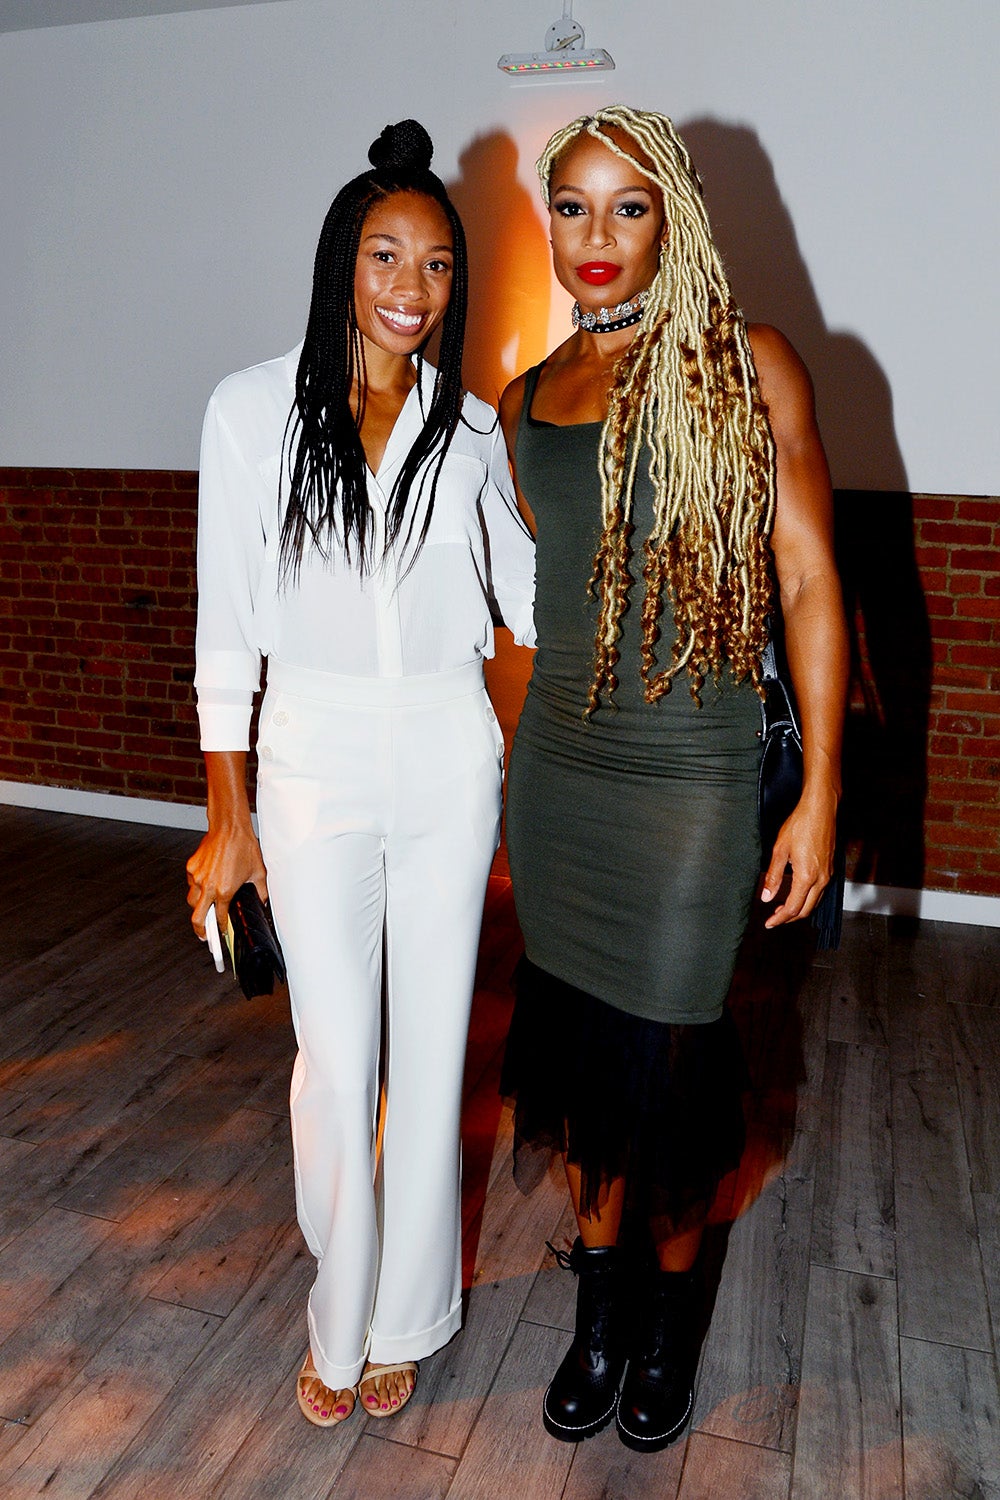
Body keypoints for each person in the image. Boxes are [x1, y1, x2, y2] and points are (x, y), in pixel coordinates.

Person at [498, 105, 847, 1452]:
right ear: (548, 224)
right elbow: (551, 600)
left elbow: (806, 579)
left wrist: (819, 793)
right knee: (583, 1061)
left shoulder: (746, 364)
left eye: (627, 205)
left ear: (673, 219)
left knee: (671, 1062)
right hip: (563, 776)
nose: (597, 234)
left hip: (695, 776)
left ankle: (669, 1325)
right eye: (572, 205)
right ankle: (600, 1315)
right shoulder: (529, 398)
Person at [186, 120, 534, 1428]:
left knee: (433, 1055)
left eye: (437, 265)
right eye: (387, 255)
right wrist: (229, 820)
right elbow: (227, 631)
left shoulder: (470, 425)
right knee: (335, 1061)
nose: (411, 287)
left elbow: (529, 600)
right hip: (314, 759)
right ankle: (341, 1307)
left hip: (447, 752)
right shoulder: (249, 412)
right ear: (343, 259)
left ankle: (405, 1318)